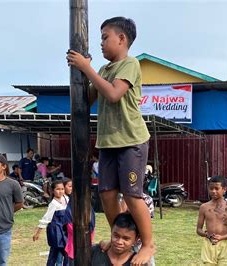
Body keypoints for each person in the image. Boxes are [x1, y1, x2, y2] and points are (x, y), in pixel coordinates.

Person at [67, 16, 153, 264]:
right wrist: (83, 71)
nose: (102, 43)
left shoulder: (130, 63)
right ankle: (120, 235)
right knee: (105, 194)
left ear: (122, 39)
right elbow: (89, 99)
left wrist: (87, 68)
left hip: (131, 140)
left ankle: (147, 243)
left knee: (131, 195)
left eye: (105, 37)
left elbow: (114, 94)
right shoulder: (104, 70)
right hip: (107, 143)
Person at [0, 154, 23, 266]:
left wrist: (7, 211)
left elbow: (19, 203)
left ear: (4, 166)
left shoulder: (13, 184)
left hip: (3, 230)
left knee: (1, 262)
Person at [196, 176, 227, 265]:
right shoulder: (204, 207)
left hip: (225, 244)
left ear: (224, 189)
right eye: (211, 188)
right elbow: (198, 230)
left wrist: (222, 237)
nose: (213, 191)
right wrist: (207, 235)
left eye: (217, 188)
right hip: (209, 244)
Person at [33, 180, 69, 266]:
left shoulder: (66, 198)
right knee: (57, 252)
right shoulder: (53, 204)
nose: (60, 191)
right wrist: (38, 233)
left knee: (64, 252)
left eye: (62, 189)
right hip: (56, 231)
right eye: (58, 189)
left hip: (65, 230)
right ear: (53, 190)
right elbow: (46, 218)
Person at [62, 178, 96, 266]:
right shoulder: (70, 209)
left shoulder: (89, 208)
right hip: (74, 247)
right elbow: (70, 229)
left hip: (87, 246)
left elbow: (92, 226)